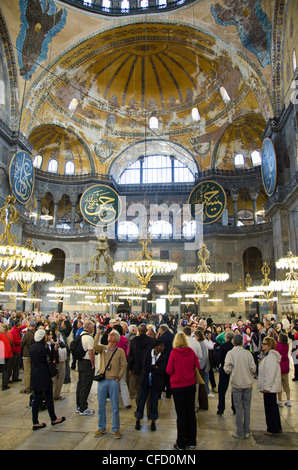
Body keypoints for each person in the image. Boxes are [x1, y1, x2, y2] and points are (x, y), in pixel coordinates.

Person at [166, 332, 200, 450]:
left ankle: (181, 443)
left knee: (181, 415)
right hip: (190, 385)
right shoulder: (190, 351)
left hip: (178, 387)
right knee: (190, 413)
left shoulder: (174, 353)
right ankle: (191, 441)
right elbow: (198, 366)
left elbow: (169, 370)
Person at [93, 329, 127, 439]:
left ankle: (116, 428)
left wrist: (119, 377)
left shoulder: (120, 351)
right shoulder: (103, 349)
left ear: (116, 339)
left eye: (112, 335)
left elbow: (123, 365)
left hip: (113, 381)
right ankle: (101, 427)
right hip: (103, 380)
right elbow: (94, 346)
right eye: (109, 334)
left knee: (115, 406)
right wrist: (98, 333)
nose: (109, 335)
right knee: (101, 406)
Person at [29, 328, 66, 430]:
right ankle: (53, 418)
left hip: (35, 373)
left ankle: (35, 422)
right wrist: (54, 350)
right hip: (44, 374)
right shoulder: (44, 348)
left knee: (36, 397)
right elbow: (50, 359)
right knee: (49, 396)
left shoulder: (32, 347)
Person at [224, 334, 256, 439]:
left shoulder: (231, 353)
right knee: (247, 407)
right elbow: (253, 368)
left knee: (238, 408)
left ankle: (240, 431)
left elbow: (227, 369)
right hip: (248, 383)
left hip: (237, 383)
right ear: (242, 342)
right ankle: (247, 430)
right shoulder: (248, 353)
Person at [135, 339, 167, 431]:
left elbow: (162, 369)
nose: (163, 348)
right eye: (161, 346)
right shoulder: (148, 353)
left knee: (154, 402)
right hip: (145, 380)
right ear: (156, 347)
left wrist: (152, 368)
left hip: (156, 382)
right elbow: (145, 366)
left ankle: (153, 421)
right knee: (141, 400)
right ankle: (138, 419)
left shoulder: (163, 356)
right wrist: (155, 367)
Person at [258, 336, 282, 436]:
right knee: (272, 407)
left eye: (264, 344)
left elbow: (270, 373)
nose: (262, 345)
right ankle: (276, 427)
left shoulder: (271, 357)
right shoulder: (268, 356)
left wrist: (267, 387)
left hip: (270, 388)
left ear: (269, 346)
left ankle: (273, 428)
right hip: (270, 387)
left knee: (270, 408)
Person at [128, 323, 154, 404]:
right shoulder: (151, 341)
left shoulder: (134, 341)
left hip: (137, 367)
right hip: (148, 367)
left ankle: (139, 409)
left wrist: (131, 368)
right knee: (149, 388)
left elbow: (131, 356)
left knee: (139, 388)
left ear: (138, 331)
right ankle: (150, 411)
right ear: (146, 331)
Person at [76, 320, 95, 416]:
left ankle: (79, 406)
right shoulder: (89, 338)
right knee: (85, 385)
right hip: (87, 362)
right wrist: (93, 364)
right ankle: (83, 408)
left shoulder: (80, 335)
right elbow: (91, 353)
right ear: (90, 328)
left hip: (80, 362)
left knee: (80, 384)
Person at [217, 330, 235, 415]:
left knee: (222, 389)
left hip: (224, 368)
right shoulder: (235, 347)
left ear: (226, 338)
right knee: (235, 388)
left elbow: (219, 357)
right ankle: (234, 407)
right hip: (234, 369)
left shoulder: (223, 346)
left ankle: (221, 408)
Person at [158, 324, 174, 398]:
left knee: (162, 376)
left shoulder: (161, 337)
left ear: (162, 330)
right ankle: (168, 393)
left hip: (163, 359)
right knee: (169, 376)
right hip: (171, 358)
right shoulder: (173, 336)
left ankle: (159, 394)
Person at [20, 320, 36, 394]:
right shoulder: (36, 333)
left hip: (26, 354)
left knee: (27, 371)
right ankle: (32, 386)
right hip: (34, 354)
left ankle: (27, 388)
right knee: (32, 371)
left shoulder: (27, 334)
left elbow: (22, 343)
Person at [276, 332, 291, 407]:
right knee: (286, 384)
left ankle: (280, 401)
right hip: (286, 366)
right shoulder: (287, 345)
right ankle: (288, 400)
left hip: (279, 367)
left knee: (279, 385)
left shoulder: (278, 345)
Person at [8, 318, 22, 384]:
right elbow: (15, 342)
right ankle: (8, 378)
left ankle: (15, 377)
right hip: (14, 350)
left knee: (17, 364)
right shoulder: (14, 331)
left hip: (17, 350)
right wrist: (22, 340)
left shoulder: (17, 330)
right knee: (12, 365)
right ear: (18, 324)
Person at [0, 323, 13, 391]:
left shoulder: (0, 336)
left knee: (2, 369)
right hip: (8, 355)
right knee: (5, 370)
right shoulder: (10, 335)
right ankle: (4, 385)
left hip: (1, 355)